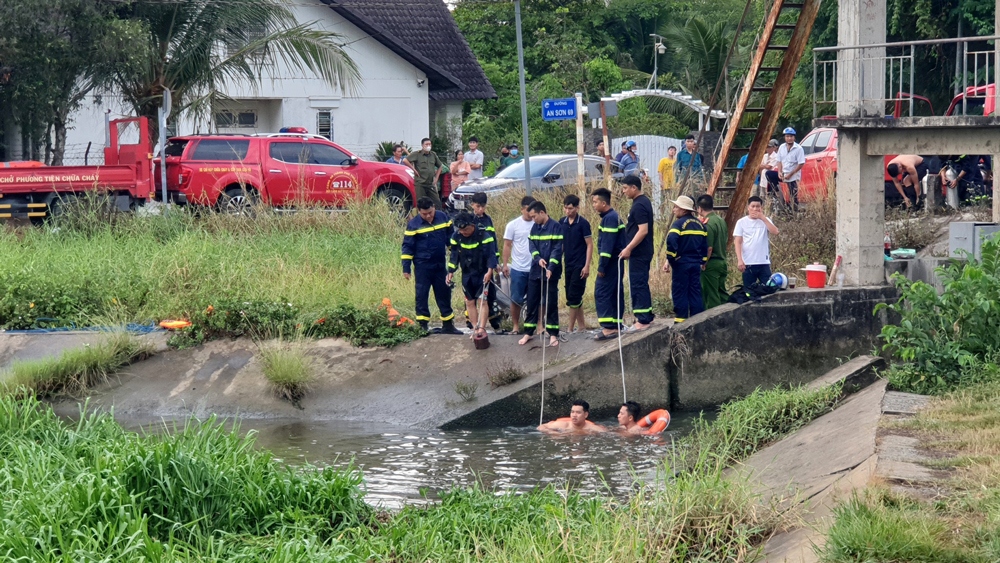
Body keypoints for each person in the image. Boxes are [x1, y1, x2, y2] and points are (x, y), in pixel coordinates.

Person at [401, 197, 461, 334]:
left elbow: (451, 240)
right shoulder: (413, 225)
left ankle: (448, 325)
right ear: (419, 212)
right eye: (424, 214)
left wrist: (457, 257)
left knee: (444, 293)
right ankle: (422, 326)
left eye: (430, 212)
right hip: (422, 266)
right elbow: (407, 248)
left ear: (434, 207)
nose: (428, 216)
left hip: (440, 264)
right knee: (422, 295)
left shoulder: (443, 218)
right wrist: (406, 268)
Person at [519, 201, 563, 348]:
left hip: (551, 272)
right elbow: (532, 246)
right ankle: (529, 332)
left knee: (551, 302)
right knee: (532, 301)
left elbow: (557, 249)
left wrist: (551, 266)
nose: (533, 219)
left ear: (542, 213)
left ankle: (553, 333)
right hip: (536, 271)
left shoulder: (556, 226)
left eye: (534, 216)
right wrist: (538, 259)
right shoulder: (534, 227)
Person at [447, 212, 497, 336]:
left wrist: (490, 271)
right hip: (467, 273)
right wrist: (450, 272)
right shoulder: (456, 236)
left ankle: (482, 328)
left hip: (482, 273)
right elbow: (454, 256)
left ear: (472, 225)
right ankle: (475, 328)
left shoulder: (484, 235)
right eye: (460, 230)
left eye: (465, 229)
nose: (463, 232)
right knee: (469, 301)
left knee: (482, 300)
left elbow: (491, 256)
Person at [662, 195, 707, 323]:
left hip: (682, 264)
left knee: (680, 292)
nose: (673, 209)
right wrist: (702, 261)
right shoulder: (700, 225)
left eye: (676, 207)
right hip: (695, 265)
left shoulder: (678, 224)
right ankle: (697, 321)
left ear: (683, 209)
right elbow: (705, 246)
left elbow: (671, 241)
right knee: (695, 292)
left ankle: (680, 322)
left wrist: (672, 259)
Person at [619, 175, 655, 330]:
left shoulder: (639, 205)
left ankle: (642, 320)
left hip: (640, 252)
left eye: (625, 188)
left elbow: (643, 230)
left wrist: (628, 248)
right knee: (640, 283)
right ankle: (646, 315)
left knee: (638, 283)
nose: (623, 191)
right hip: (641, 252)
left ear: (634, 187)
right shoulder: (641, 202)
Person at [592, 187, 626, 341]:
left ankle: (609, 328)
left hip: (611, 263)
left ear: (603, 203)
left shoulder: (610, 219)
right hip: (616, 262)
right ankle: (615, 325)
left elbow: (607, 246)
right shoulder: (611, 217)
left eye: (595, 202)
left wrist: (602, 266)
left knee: (603, 292)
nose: (593, 205)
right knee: (614, 292)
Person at [559, 194, 593, 333]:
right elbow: (560, 244)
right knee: (573, 295)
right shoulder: (562, 222)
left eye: (571, 208)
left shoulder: (583, 223)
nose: (568, 211)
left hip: (580, 264)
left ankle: (570, 328)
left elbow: (590, 245)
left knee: (573, 296)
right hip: (568, 263)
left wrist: (587, 265)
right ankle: (582, 326)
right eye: (566, 208)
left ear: (577, 208)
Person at [502, 196, 536, 333]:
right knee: (516, 299)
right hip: (518, 268)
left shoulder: (538, 223)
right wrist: (505, 264)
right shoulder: (513, 225)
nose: (530, 213)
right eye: (528, 210)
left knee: (536, 299)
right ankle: (516, 325)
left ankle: (537, 325)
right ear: (522, 209)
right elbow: (507, 245)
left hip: (534, 267)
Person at [470, 192, 502, 331]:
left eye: (483, 207)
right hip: (472, 265)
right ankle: (472, 323)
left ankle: (495, 322)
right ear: (472, 205)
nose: (481, 210)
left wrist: (496, 262)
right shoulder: (469, 220)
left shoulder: (488, 220)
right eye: (478, 206)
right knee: (473, 296)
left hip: (487, 263)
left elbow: (493, 242)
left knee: (490, 295)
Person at [734, 196, 779, 287]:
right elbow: (737, 242)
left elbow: (775, 232)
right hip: (748, 262)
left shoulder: (765, 220)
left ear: (761, 208)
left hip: (763, 262)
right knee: (749, 290)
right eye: (753, 206)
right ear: (748, 208)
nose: (755, 209)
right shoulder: (741, 222)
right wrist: (740, 260)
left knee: (768, 288)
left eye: (757, 206)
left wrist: (763, 218)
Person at [695, 194, 729, 309]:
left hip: (711, 263)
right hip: (722, 261)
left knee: (711, 296)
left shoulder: (708, 224)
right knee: (722, 294)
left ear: (700, 208)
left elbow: (708, 248)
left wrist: (704, 262)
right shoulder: (720, 220)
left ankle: (714, 324)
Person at [776, 127, 806, 213]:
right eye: (788, 136)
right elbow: (779, 160)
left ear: (794, 137)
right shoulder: (782, 147)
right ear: (785, 137)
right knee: (769, 174)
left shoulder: (799, 148)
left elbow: (801, 163)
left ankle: (794, 211)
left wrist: (790, 174)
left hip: (793, 175)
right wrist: (779, 172)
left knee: (793, 194)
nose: (789, 138)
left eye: (791, 136)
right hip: (784, 173)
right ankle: (776, 194)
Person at [407, 138, 443, 208]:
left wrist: (436, 178)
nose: (428, 146)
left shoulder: (433, 155)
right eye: (426, 144)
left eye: (429, 144)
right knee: (421, 203)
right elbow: (405, 160)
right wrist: (414, 169)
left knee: (437, 203)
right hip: (420, 183)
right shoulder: (417, 154)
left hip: (430, 183)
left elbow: (440, 165)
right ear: (422, 145)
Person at [537, 399, 607, 434]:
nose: (574, 415)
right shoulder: (563, 425)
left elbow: (606, 433)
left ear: (586, 414)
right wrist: (553, 433)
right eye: (572, 412)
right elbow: (540, 427)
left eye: (578, 412)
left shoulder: (592, 428)